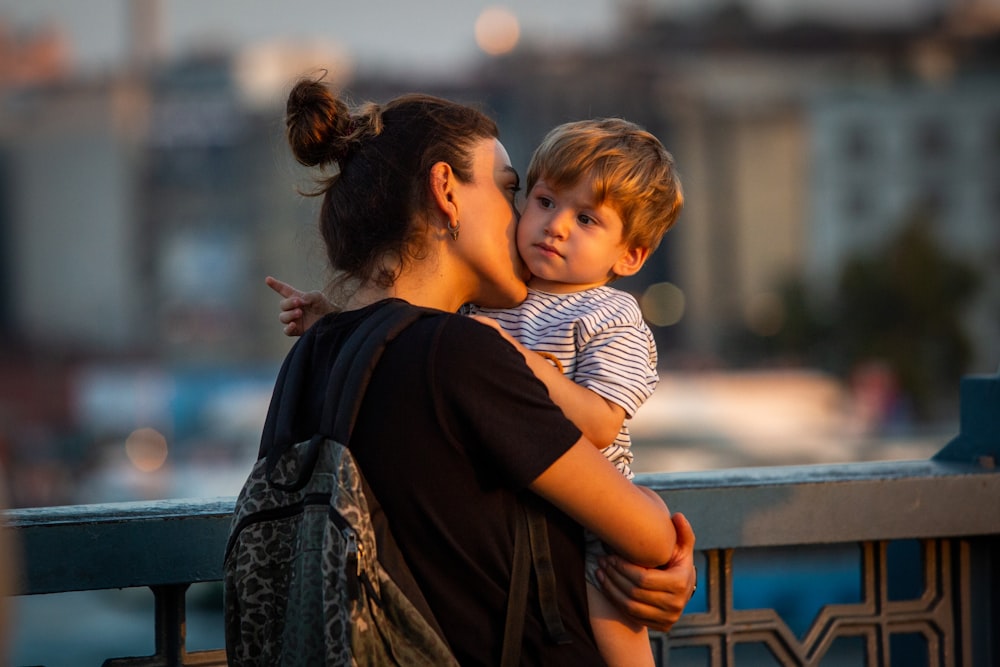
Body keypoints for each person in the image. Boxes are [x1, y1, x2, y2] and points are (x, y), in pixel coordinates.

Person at [246, 75, 697, 665]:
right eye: (517, 193)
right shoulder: (462, 352)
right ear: (447, 192)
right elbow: (650, 534)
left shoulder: (311, 355)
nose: (530, 223)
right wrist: (668, 550)